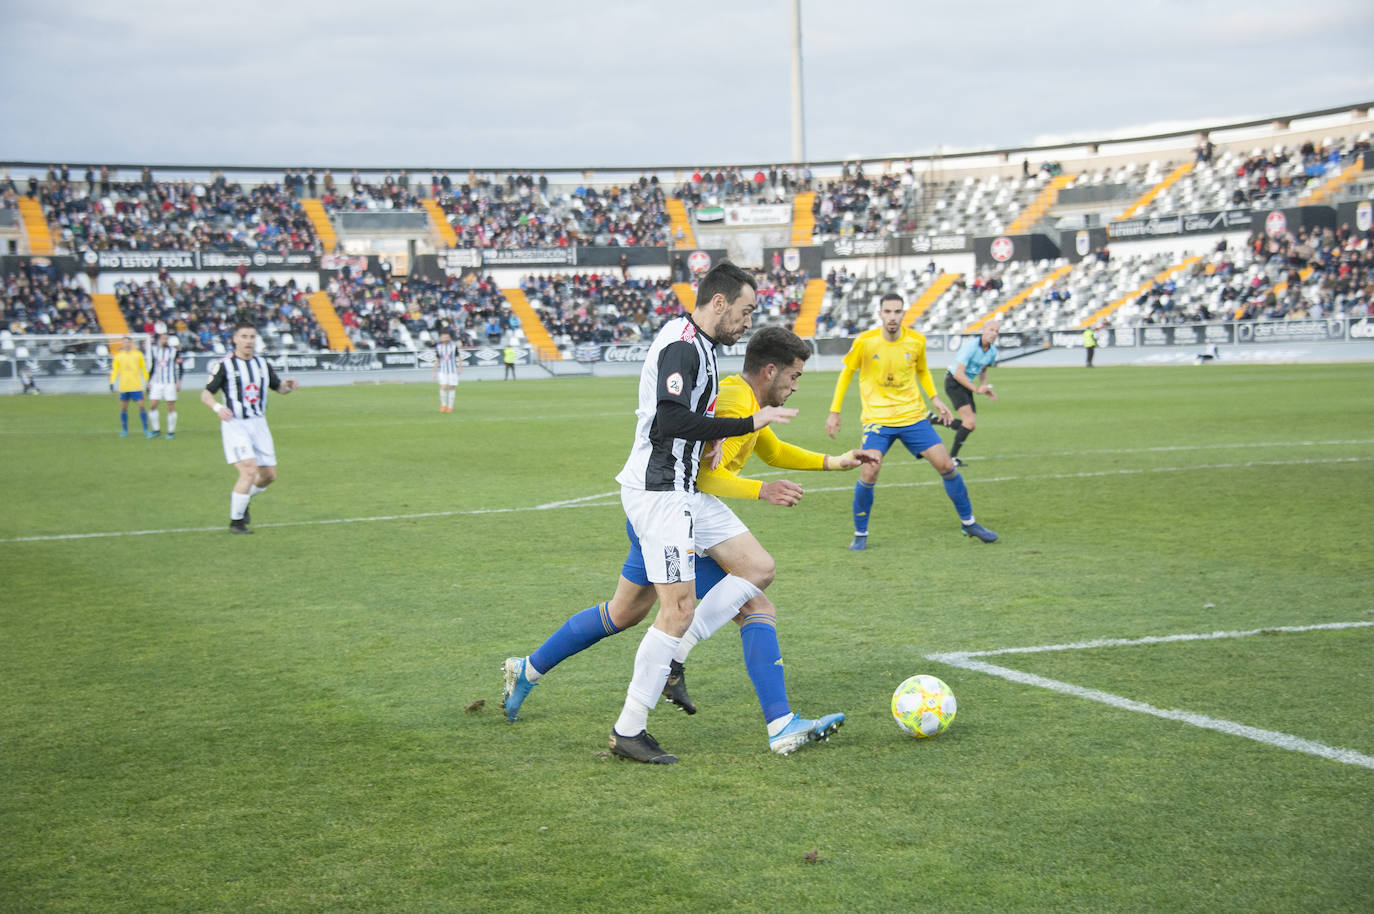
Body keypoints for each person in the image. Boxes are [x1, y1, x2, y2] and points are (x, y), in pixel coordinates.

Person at [502, 326, 878, 756]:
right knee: (754, 598)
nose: (795, 386)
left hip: (669, 513)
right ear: (770, 371)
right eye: (794, 377)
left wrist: (835, 462)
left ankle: (527, 669)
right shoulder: (737, 400)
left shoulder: (745, 400)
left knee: (624, 612)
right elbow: (703, 476)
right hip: (677, 516)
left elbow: (771, 449)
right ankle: (772, 718)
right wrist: (761, 490)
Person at [600, 261, 794, 764]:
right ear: (720, 302)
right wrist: (747, 421)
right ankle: (628, 730)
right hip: (660, 490)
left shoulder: (702, 347)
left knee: (758, 568)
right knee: (676, 610)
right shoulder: (684, 345)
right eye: (745, 311)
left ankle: (674, 656)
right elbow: (669, 419)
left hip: (684, 487)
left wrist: (708, 440)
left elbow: (689, 418)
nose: (748, 322)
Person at [826, 293, 998, 549]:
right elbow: (847, 373)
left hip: (913, 417)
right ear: (880, 314)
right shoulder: (865, 341)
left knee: (946, 465)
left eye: (897, 312)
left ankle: (969, 522)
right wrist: (835, 410)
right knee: (869, 470)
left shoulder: (916, 341)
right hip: (878, 420)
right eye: (888, 311)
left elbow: (922, 371)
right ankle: (860, 534)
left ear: (903, 314)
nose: (892, 317)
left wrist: (936, 398)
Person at [200, 322, 299, 534]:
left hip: (259, 424)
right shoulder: (224, 365)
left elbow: (279, 389)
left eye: (252, 337)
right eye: (244, 336)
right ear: (235, 339)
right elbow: (206, 394)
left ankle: (242, 499)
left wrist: (288, 387)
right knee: (249, 470)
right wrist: (218, 407)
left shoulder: (262, 364)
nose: (249, 341)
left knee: (269, 476)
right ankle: (236, 522)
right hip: (235, 424)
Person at [936, 320, 1001, 466]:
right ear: (983, 330)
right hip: (954, 382)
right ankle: (951, 458)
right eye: (991, 330)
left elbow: (983, 369)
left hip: (966, 384)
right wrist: (976, 389)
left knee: (970, 425)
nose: (994, 334)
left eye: (997, 331)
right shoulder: (970, 347)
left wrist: (984, 386)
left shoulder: (992, 351)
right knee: (969, 422)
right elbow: (959, 374)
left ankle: (935, 420)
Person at [108, 336, 151, 438]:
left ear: (131, 343)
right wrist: (111, 382)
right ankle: (125, 430)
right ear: (122, 344)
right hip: (124, 386)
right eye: (124, 342)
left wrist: (147, 381)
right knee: (123, 408)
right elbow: (115, 370)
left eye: (128, 342)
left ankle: (146, 429)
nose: (126, 344)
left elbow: (143, 369)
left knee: (141, 406)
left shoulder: (138, 354)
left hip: (136, 386)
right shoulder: (118, 356)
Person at [146, 332, 183, 439]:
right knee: (152, 405)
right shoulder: (155, 350)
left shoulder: (174, 351)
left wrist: (178, 381)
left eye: (166, 339)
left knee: (170, 406)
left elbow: (180, 367)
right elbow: (153, 366)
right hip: (157, 383)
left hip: (169, 383)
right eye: (163, 338)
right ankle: (156, 429)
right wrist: (148, 381)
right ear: (159, 340)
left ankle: (171, 431)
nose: (164, 340)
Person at [433, 329, 461, 412]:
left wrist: (459, 368)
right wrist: (434, 372)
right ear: (441, 338)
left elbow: (459, 357)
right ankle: (443, 405)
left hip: (452, 371)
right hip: (443, 371)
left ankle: (450, 406)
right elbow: (437, 359)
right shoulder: (439, 347)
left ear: (449, 337)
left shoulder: (453, 346)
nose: (445, 338)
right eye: (444, 337)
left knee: (451, 387)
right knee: (443, 387)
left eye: (447, 337)